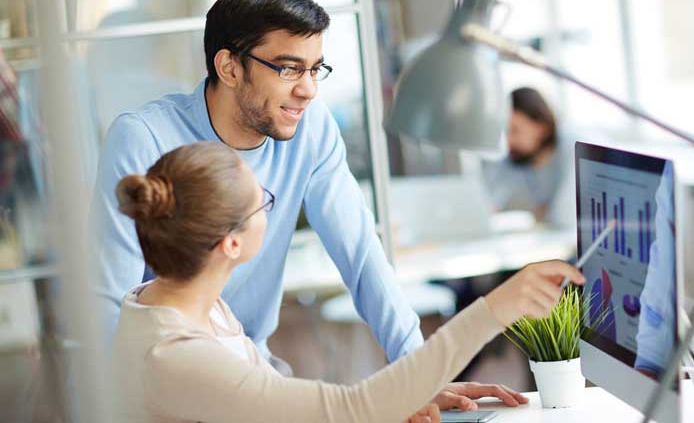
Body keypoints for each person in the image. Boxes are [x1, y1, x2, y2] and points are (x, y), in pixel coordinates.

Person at [91, 0, 523, 409]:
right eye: (289, 68)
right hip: (174, 381)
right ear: (229, 67)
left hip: (252, 363)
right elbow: (115, 300)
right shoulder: (144, 138)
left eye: (315, 68)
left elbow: (360, 254)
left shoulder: (310, 129)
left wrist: (416, 368)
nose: (309, 89)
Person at [111, 141, 586, 423]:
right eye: (264, 203)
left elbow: (289, 403)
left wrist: (401, 393)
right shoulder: (173, 352)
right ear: (230, 244)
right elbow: (349, 409)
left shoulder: (189, 307)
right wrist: (495, 309)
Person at [482, 87, 566, 222]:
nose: (509, 141)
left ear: (541, 127)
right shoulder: (516, 158)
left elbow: (565, 218)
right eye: (506, 131)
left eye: (515, 131)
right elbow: (487, 201)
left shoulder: (572, 148)